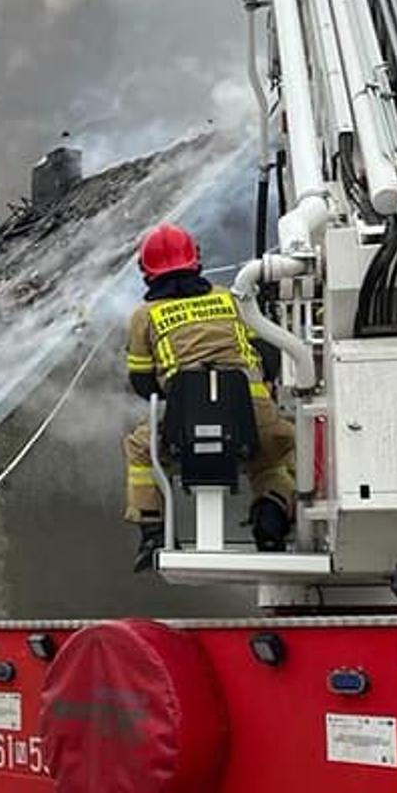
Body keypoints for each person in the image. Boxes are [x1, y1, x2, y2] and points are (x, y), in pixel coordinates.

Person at [124, 223, 296, 571]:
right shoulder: (229, 300)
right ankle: (272, 514)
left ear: (147, 272)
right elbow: (268, 352)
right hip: (252, 409)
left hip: (185, 422)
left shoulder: (144, 317)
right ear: (196, 261)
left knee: (141, 450)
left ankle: (153, 531)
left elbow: (141, 382)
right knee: (280, 451)